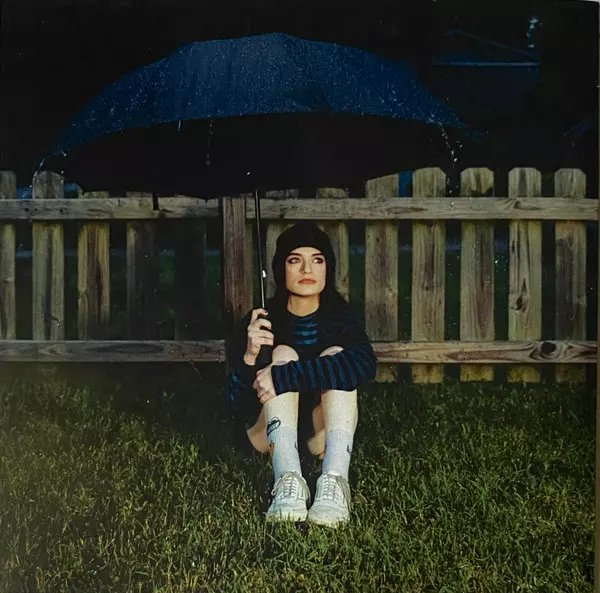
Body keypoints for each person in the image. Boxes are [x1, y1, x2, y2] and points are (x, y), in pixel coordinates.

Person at [226, 221, 377, 527]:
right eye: (295, 260)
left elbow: (364, 364)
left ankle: (335, 482)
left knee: (337, 356)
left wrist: (285, 377)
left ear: (327, 268)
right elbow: (235, 406)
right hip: (267, 436)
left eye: (317, 260)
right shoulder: (262, 321)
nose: (307, 269)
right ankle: (287, 481)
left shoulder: (341, 317)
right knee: (282, 353)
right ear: (281, 269)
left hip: (319, 437)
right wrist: (249, 356)